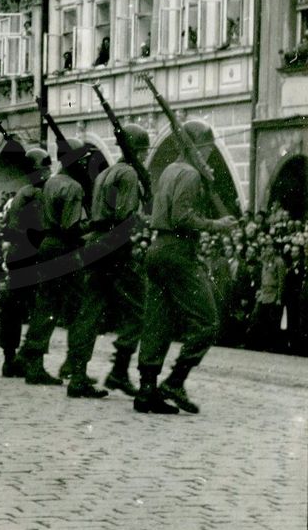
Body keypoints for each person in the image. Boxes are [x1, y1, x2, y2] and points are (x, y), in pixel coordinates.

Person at [134, 121, 237, 414]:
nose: (208, 153)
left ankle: (147, 390)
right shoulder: (190, 175)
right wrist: (216, 225)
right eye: (206, 147)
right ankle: (175, 381)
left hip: (157, 249)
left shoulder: (169, 170)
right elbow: (182, 217)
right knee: (207, 322)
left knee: (158, 322)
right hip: (179, 252)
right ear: (197, 146)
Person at [65, 124, 150, 399]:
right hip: (115, 246)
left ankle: (77, 376)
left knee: (90, 311)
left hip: (96, 244)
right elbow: (125, 214)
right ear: (139, 150)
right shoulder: (129, 173)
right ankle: (120, 370)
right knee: (139, 309)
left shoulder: (105, 173)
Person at [17, 140, 88, 385]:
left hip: (47, 246)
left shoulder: (51, 183)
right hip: (65, 249)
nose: (87, 162)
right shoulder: (74, 187)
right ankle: (75, 365)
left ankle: (32, 360)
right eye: (84, 158)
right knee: (80, 307)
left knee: (45, 306)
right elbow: (71, 227)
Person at [0, 147, 52, 378]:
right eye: (46, 167)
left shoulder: (21, 193)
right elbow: (41, 227)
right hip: (31, 255)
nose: (49, 172)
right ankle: (27, 360)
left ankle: (10, 359)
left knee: (13, 308)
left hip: (17, 255)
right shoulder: (36, 195)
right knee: (39, 308)